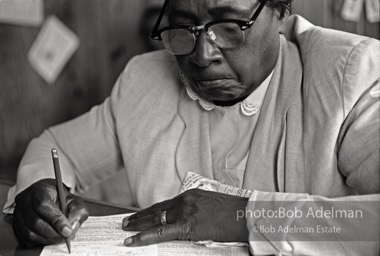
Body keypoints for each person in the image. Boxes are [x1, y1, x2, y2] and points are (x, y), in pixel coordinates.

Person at [3, 0, 379, 255]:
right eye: (183, 28)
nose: (202, 55)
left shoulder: (348, 75)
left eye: (230, 25)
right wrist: (40, 190)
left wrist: (245, 216)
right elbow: (56, 147)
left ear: (280, 12)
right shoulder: (145, 81)